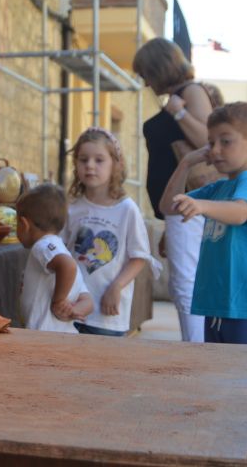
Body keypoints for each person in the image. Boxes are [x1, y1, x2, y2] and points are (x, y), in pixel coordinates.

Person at [159, 102, 247, 466]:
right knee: (226, 395)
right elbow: (168, 204)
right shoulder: (220, 188)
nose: (216, 150)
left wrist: (203, 207)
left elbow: (242, 212)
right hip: (217, 309)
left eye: (225, 141)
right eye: (211, 142)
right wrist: (186, 163)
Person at [134, 37, 220, 343]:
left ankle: (196, 352)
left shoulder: (191, 92)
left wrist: (180, 113)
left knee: (186, 286)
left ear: (159, 68)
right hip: (179, 208)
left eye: (145, 72)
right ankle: (195, 346)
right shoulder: (176, 96)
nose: (144, 80)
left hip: (190, 203)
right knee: (184, 284)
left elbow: (211, 143)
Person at [62, 127, 160, 337]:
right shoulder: (72, 208)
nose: (89, 165)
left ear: (115, 164)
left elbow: (139, 257)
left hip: (106, 314)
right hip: (71, 308)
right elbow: (62, 253)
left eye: (99, 160)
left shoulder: (127, 209)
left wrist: (116, 287)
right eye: (83, 159)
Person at [16, 184, 93, 333]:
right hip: (63, 337)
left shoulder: (43, 246)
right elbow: (88, 302)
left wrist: (59, 301)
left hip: (42, 336)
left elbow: (67, 266)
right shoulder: (61, 251)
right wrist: (73, 310)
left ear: (24, 224)